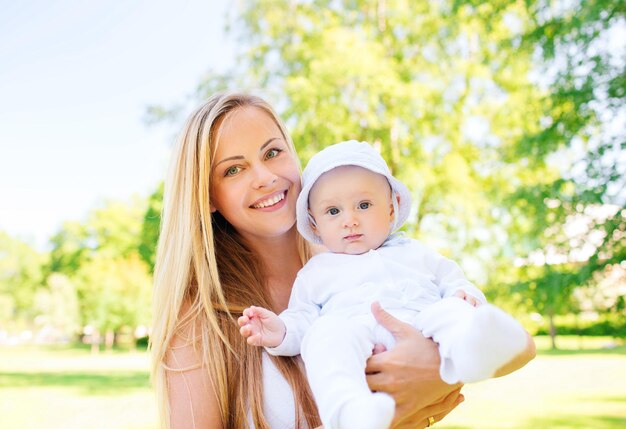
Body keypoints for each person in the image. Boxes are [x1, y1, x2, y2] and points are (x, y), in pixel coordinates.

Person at [149, 91, 532, 429]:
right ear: (208, 197)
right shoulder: (203, 319)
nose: (264, 176)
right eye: (234, 169)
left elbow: (521, 346)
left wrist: (434, 369)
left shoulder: (361, 258)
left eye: (272, 152)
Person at [238, 140, 536, 429]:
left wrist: (466, 296)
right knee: (324, 335)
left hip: (423, 326)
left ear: (392, 209)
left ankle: (472, 353)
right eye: (333, 211)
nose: (350, 220)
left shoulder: (415, 252)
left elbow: (453, 281)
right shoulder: (315, 272)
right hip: (358, 337)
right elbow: (302, 319)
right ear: (315, 224)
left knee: (450, 310)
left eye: (364, 205)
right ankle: (350, 408)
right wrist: (280, 331)